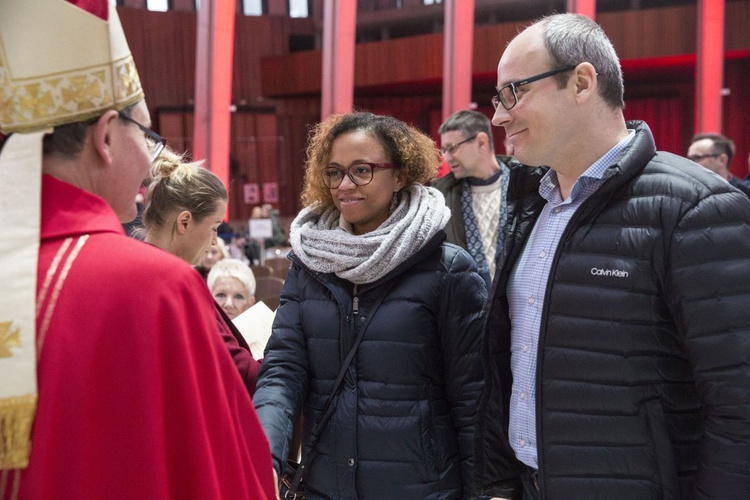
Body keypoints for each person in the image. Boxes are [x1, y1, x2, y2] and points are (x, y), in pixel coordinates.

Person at [0, 1, 274, 498]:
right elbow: (225, 474)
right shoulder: (154, 286)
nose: (151, 164)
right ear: (105, 135)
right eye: (146, 135)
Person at [475, 13, 750, 500]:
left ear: (581, 82)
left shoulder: (696, 208)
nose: (499, 116)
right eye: (498, 99)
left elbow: (739, 404)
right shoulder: (530, 204)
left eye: (514, 93)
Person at [253, 112, 487, 499]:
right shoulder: (309, 263)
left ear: (398, 175)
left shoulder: (447, 269)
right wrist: (262, 458)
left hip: (422, 489)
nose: (345, 185)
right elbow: (283, 371)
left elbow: (472, 400)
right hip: (326, 486)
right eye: (334, 172)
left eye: (362, 170)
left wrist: (481, 491)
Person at [141, 147, 261, 395]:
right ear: (184, 222)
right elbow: (236, 371)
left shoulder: (139, 268)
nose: (215, 240)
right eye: (214, 227)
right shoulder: (175, 280)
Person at [432, 110, 514, 285]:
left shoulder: (528, 182)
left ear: (481, 142)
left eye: (452, 148)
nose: (446, 158)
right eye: (444, 150)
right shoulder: (439, 196)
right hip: (468, 300)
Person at [686, 132, 750, 197]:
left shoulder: (744, 194)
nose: (690, 163)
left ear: (722, 160)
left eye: (696, 158)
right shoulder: (688, 192)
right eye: (689, 159)